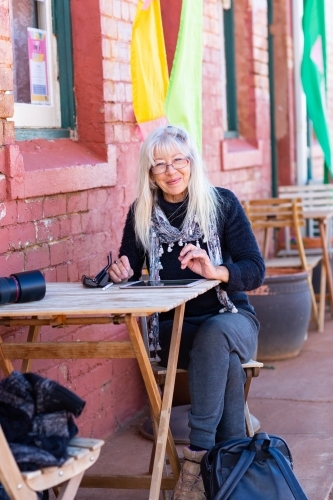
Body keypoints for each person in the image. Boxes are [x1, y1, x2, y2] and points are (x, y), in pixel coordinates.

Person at [109, 125, 265, 500]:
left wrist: (217, 271)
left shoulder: (222, 203)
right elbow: (128, 264)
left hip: (234, 320)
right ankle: (230, 464)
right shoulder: (142, 213)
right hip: (174, 329)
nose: (170, 170)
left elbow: (255, 269)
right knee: (220, 359)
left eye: (179, 159)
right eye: (159, 164)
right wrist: (122, 270)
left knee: (216, 336)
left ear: (192, 162)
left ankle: (194, 461)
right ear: (148, 172)